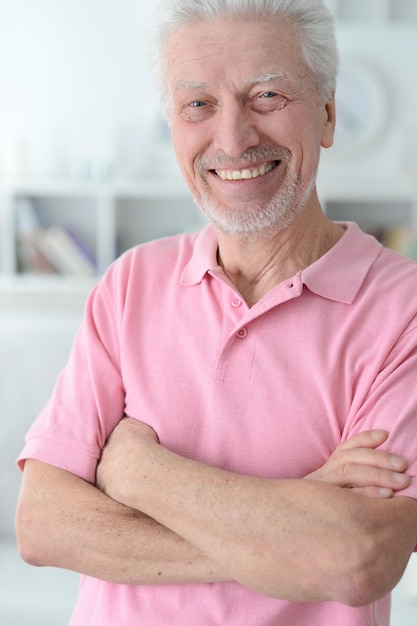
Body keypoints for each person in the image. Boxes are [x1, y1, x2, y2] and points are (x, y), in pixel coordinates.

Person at [15, 0, 417, 624]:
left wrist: (140, 472)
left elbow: (357, 556)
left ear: (328, 114)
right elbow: (42, 525)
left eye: (267, 96)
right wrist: (290, 528)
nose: (233, 138)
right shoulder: (128, 284)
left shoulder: (403, 311)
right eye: (198, 105)